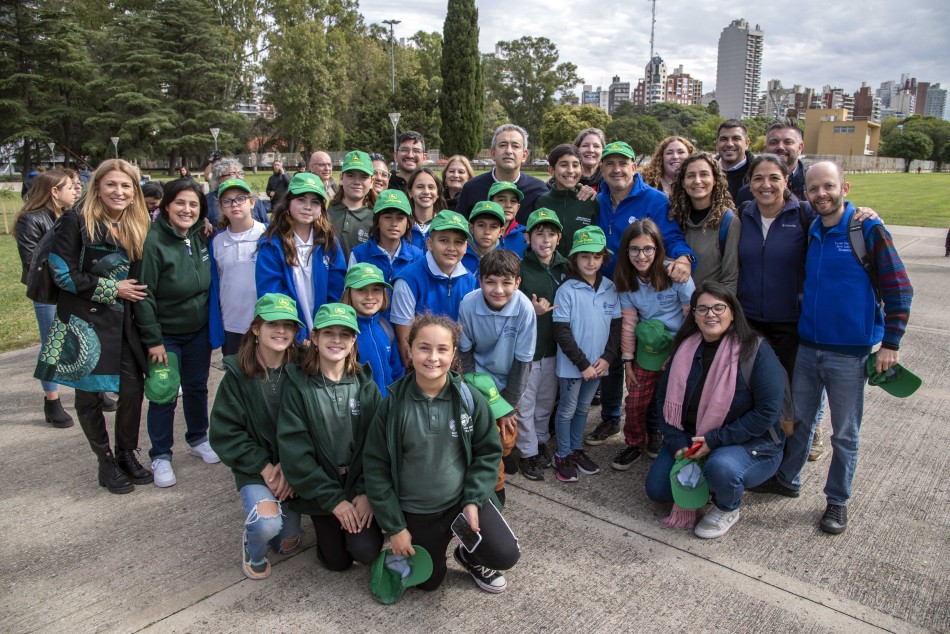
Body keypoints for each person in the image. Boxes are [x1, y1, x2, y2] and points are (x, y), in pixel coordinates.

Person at [759, 161, 913, 535]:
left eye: (829, 186)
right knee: (801, 421)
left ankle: (837, 500)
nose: (821, 194)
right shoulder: (813, 229)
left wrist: (890, 342)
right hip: (809, 346)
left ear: (845, 187)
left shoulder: (867, 228)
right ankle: (788, 478)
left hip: (850, 351)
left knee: (845, 432)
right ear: (806, 193)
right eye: (814, 189)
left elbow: (899, 287)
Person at [363, 313, 521, 594]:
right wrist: (396, 527)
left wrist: (473, 499)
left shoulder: (470, 399)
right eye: (424, 347)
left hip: (461, 504)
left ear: (453, 353)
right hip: (418, 511)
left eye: (442, 349)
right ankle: (431, 551)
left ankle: (469, 556)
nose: (432, 357)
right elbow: (376, 468)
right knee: (429, 583)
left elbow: (487, 453)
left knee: (504, 554)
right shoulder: (392, 406)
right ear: (409, 350)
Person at [34, 159, 153, 493]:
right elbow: (61, 272)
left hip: (124, 323)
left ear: (134, 191)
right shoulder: (76, 220)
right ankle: (105, 461)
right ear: (97, 186)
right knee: (88, 398)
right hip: (81, 322)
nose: (119, 191)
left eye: (126, 185)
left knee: (132, 390)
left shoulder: (137, 223)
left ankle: (127, 453)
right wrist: (112, 289)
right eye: (112, 184)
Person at [645, 281, 787, 539]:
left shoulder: (755, 350)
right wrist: (676, 441)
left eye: (719, 307)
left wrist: (714, 440)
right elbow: (662, 399)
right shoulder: (685, 347)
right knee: (657, 491)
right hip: (689, 439)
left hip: (749, 443)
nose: (710, 314)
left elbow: (768, 411)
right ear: (695, 316)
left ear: (733, 313)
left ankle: (727, 505)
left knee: (721, 468)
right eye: (703, 309)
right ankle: (708, 480)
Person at [588, 140, 695, 447]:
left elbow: (671, 237)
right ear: (602, 169)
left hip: (635, 289)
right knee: (610, 353)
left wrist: (685, 258)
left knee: (644, 360)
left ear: (634, 167)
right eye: (609, 164)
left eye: (623, 163)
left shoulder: (654, 199)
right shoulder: (598, 198)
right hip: (605, 288)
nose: (616, 169)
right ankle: (610, 419)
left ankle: (654, 427)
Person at [278, 303, 385, 570]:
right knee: (337, 563)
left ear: (353, 341)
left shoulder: (365, 384)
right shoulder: (298, 387)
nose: (336, 340)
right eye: (329, 333)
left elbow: (379, 446)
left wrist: (366, 492)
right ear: (314, 338)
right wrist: (334, 501)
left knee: (366, 551)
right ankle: (328, 525)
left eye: (345, 334)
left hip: (358, 482)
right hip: (323, 487)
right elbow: (296, 454)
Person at [209, 293, 304, 580]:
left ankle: (280, 514)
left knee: (288, 543)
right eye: (272, 324)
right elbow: (226, 433)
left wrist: (290, 467)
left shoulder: (304, 367)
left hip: (294, 466)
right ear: (255, 329)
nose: (281, 331)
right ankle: (253, 548)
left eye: (288, 325)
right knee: (265, 526)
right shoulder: (238, 374)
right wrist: (265, 468)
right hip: (256, 469)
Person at [134, 177, 218, 488]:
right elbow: (145, 294)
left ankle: (197, 438)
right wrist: (153, 339)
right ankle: (160, 455)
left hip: (198, 331)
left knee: (197, 387)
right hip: (165, 335)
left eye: (194, 204)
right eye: (180, 203)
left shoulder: (200, 235)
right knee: (163, 394)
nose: (187, 209)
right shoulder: (153, 243)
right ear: (167, 205)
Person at [608, 219, 694, 469]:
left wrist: (680, 353)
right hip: (647, 347)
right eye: (634, 249)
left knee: (670, 398)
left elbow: (692, 317)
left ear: (658, 249)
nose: (641, 255)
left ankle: (661, 436)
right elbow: (628, 322)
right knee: (635, 400)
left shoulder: (676, 275)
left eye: (648, 249)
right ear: (626, 251)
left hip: (678, 345)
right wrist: (627, 361)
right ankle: (634, 442)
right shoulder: (626, 279)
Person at [551, 226, 621, 482]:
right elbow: (562, 332)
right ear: (575, 259)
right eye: (584, 256)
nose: (590, 262)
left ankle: (576, 449)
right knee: (567, 410)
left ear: (604, 258)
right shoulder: (566, 290)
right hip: (574, 366)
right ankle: (562, 453)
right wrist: (582, 364)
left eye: (596, 256)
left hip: (598, 365)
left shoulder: (611, 288)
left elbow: (616, 327)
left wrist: (608, 358)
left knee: (583, 410)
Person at [458, 250, 537, 474]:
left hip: (511, 374)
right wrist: (475, 390)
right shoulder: (468, 304)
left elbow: (523, 361)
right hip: (479, 375)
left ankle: (504, 454)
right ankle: (487, 463)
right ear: (480, 280)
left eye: (506, 282)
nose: (498, 290)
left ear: (518, 282)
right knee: (480, 424)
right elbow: (465, 353)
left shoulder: (524, 309)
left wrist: (509, 405)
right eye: (490, 282)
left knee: (507, 426)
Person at [15, 168, 79, 428]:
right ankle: (52, 400)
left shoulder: (70, 216)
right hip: (48, 292)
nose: (76, 190)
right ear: (54, 191)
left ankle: (89, 391)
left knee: (79, 340)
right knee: (52, 344)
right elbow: (32, 262)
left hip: (74, 288)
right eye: (69, 187)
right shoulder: (31, 219)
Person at [256, 172, 346, 341]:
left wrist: (325, 330)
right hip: (287, 334)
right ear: (288, 202)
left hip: (323, 335)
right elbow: (272, 293)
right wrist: (299, 335)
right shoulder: (271, 245)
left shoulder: (329, 243)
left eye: (315, 202)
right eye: (301, 200)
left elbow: (336, 291)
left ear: (321, 209)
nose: (308, 207)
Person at [515, 209, 570, 480]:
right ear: (528, 237)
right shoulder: (521, 269)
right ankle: (526, 452)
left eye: (551, 234)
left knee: (546, 401)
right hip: (529, 351)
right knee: (525, 403)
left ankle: (539, 441)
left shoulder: (566, 266)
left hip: (555, 349)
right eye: (539, 233)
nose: (545, 240)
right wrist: (531, 310)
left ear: (559, 238)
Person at [390, 210, 477, 364]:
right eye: (443, 240)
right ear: (430, 243)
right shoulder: (408, 280)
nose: (451, 248)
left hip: (459, 365)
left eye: (459, 242)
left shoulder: (470, 280)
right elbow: (404, 341)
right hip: (423, 366)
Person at [209, 177, 266, 356]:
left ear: (251, 202)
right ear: (221, 208)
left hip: (265, 321)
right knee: (236, 376)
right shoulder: (217, 241)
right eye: (227, 201)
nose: (234, 205)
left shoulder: (268, 235)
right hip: (232, 324)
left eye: (240, 199)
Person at [667, 153, 740, 291]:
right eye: (691, 176)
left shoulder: (728, 221)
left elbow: (731, 278)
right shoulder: (673, 217)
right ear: (682, 182)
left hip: (710, 308)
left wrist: (717, 309)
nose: (697, 180)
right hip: (675, 307)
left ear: (715, 179)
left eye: (704, 174)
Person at [455, 124, 549, 223]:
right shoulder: (472, 188)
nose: (508, 151)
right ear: (493, 153)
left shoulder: (538, 190)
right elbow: (460, 231)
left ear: (524, 155)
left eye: (515, 146)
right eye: (503, 145)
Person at [342, 264, 404, 392]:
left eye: (376, 289)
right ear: (349, 293)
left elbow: (397, 372)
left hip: (388, 407)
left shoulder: (386, 327)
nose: (369, 296)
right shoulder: (343, 332)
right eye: (361, 290)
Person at [348, 189, 424, 290]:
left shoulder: (417, 256)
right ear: (377, 221)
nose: (394, 223)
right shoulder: (359, 254)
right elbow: (349, 293)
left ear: (408, 223)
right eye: (387, 217)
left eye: (400, 218)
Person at [536, 144, 600, 258]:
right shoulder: (542, 202)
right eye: (563, 165)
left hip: (580, 271)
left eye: (575, 165)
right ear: (551, 170)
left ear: (581, 169)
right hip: (550, 270)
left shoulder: (591, 202)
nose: (570, 170)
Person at [735, 118, 807, 206]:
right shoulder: (745, 193)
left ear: (800, 147)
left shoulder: (812, 187)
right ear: (766, 148)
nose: (780, 147)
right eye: (774, 143)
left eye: (788, 142)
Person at [327, 150, 378, 259]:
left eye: (363, 177)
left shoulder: (377, 217)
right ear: (341, 178)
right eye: (351, 175)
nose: (357, 182)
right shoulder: (325, 210)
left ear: (372, 181)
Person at [206, 158, 268, 227]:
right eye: (232, 173)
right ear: (220, 179)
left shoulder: (252, 198)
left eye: (240, 173)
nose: (239, 177)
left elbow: (266, 224)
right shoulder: (207, 201)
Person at [407, 167, 447, 252]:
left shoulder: (446, 225)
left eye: (431, 187)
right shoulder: (402, 225)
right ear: (410, 192)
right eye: (420, 187)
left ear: (438, 193)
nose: (426, 191)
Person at [461, 201, 505, 278]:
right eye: (481, 225)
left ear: (501, 232)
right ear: (471, 228)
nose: (487, 232)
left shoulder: (505, 259)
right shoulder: (459, 255)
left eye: (493, 226)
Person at [716, 120, 754, 203]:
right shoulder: (705, 173)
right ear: (717, 143)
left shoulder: (759, 174)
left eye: (736, 138)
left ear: (747, 143)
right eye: (723, 139)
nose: (729, 144)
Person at [489, 181, 527, 257]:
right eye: (501, 200)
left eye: (513, 201)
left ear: (518, 207)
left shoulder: (526, 237)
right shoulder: (477, 235)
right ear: (490, 203)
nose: (508, 205)